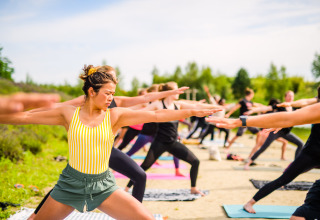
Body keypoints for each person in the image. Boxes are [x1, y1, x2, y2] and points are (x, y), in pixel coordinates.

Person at [0, 65, 217, 219]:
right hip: (70, 184)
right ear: (92, 91)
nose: (111, 98)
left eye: (113, 93)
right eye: (107, 93)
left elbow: (157, 116)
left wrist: (191, 111)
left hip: (103, 186)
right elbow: (26, 117)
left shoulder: (114, 116)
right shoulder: (68, 114)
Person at [28, 77, 190, 220]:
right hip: (83, 163)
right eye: (110, 84)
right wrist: (28, 112)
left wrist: (175, 97)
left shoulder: (116, 101)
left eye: (113, 89)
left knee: (139, 174)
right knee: (66, 184)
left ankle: (130, 212)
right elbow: (58, 106)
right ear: (93, 90)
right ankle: (37, 214)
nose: (111, 93)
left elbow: (146, 98)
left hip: (105, 154)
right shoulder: (81, 103)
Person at [206, 95, 320, 215]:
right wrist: (240, 121)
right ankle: (250, 202)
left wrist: (291, 106)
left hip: (295, 139)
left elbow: (298, 110)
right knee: (282, 179)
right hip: (311, 154)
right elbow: (295, 111)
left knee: (297, 144)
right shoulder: (315, 107)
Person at [126, 81, 221, 196]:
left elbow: (196, 106)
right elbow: (141, 112)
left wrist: (215, 107)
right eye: (177, 90)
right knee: (144, 167)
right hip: (159, 143)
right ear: (170, 92)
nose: (179, 92)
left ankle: (193, 188)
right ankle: (126, 189)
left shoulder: (178, 104)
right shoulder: (159, 104)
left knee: (195, 161)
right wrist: (124, 115)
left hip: (173, 142)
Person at [243, 96, 303, 169]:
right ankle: (249, 162)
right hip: (276, 131)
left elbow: (306, 105)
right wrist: (254, 110)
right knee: (263, 147)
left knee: (300, 144)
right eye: (289, 96)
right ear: (285, 97)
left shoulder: (294, 108)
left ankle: (295, 165)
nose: (290, 98)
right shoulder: (281, 106)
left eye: (292, 96)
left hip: (286, 133)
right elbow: (267, 108)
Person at [224, 88, 261, 153]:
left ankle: (256, 149)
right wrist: (228, 114)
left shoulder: (250, 102)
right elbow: (235, 108)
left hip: (249, 120)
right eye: (253, 94)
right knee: (238, 135)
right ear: (251, 94)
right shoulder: (243, 101)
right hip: (243, 120)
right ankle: (228, 147)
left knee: (258, 133)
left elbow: (257, 106)